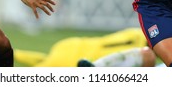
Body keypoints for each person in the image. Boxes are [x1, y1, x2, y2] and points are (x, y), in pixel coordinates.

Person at [13, 28, 152, 67]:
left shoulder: (136, 33)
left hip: (71, 44)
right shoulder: (141, 57)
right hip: (74, 62)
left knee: (44, 61)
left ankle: (12, 53)